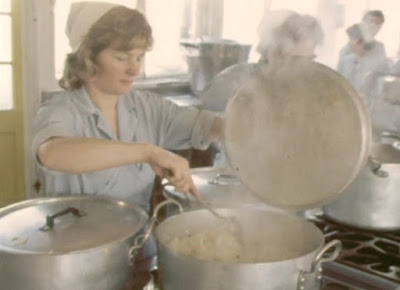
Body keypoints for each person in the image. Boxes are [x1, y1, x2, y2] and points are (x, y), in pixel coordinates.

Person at [31, 2, 222, 288]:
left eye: (140, 57)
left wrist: (260, 121)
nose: (135, 69)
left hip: (137, 257)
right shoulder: (59, 112)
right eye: (122, 57)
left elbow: (208, 126)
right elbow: (53, 154)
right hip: (75, 267)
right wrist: (148, 151)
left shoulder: (147, 108)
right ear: (88, 58)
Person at [200, 11, 324, 166]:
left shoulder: (309, 89)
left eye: (310, 59)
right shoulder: (233, 82)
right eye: (297, 60)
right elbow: (206, 128)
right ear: (274, 54)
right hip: (237, 177)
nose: (305, 68)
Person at [337, 23, 389, 109]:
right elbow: (338, 81)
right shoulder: (345, 60)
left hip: (367, 108)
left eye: (352, 39)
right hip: (345, 104)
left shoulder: (376, 64)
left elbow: (379, 91)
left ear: (361, 41)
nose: (349, 43)